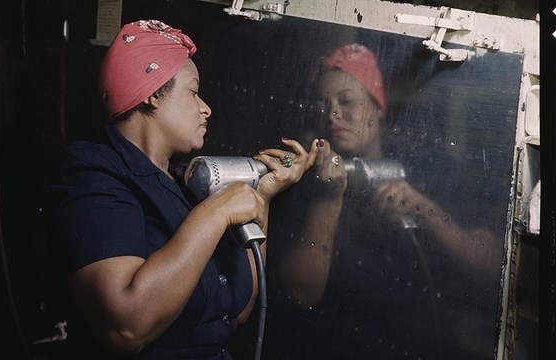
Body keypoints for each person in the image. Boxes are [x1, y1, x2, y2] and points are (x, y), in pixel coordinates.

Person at [50, 19, 321, 359]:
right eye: (193, 92)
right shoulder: (94, 176)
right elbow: (126, 327)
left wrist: (261, 198)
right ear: (152, 93)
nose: (206, 107)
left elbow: (239, 311)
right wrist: (217, 211)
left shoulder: (183, 183)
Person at [266, 43, 503, 359]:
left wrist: (423, 208)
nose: (334, 113)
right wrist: (328, 199)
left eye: (347, 101)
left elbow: (491, 270)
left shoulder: (426, 167)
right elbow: (300, 294)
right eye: (322, 105)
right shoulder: (301, 182)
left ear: (378, 107)